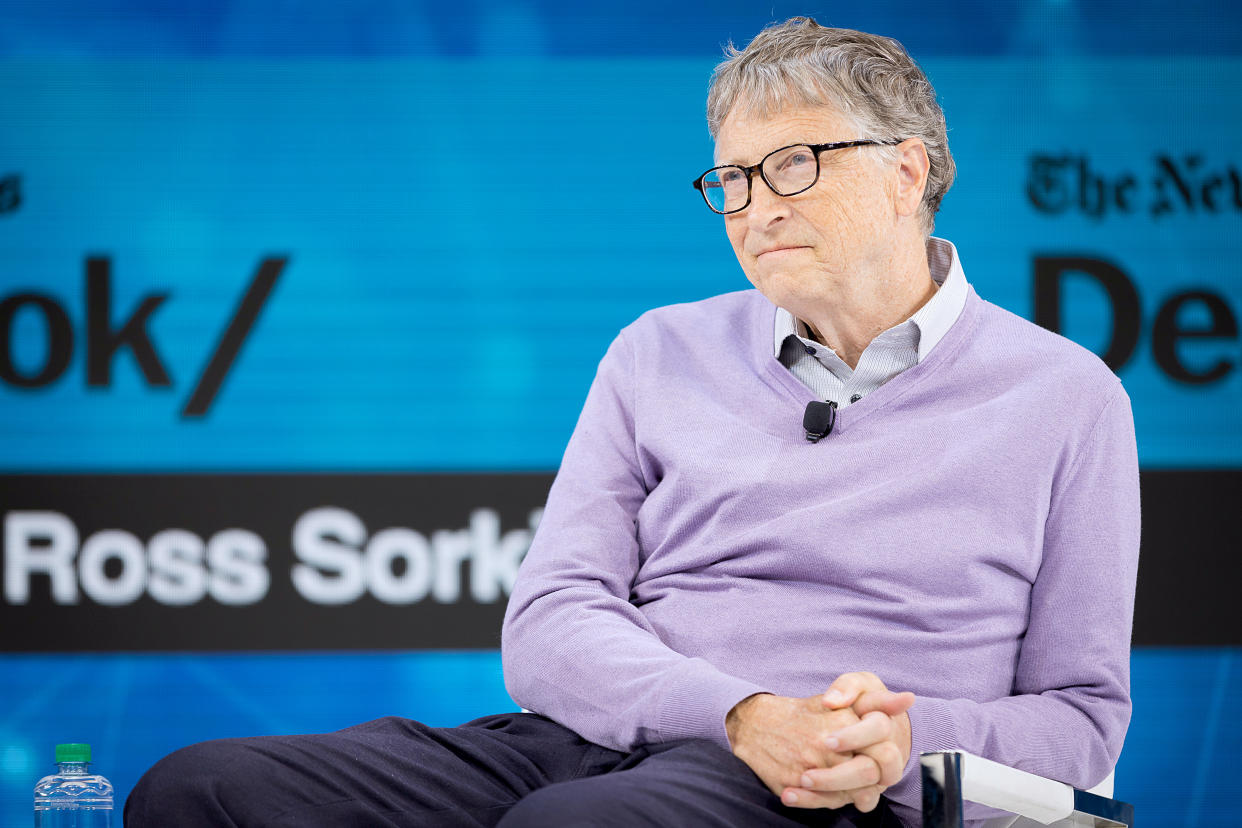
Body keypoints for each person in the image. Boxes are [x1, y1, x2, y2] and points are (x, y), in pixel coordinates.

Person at [124, 17, 1139, 828]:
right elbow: (551, 622)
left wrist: (889, 746)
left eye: (794, 164)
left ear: (908, 170)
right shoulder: (659, 351)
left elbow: (1080, 723)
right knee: (201, 790)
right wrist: (739, 715)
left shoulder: (1064, 395)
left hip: (831, 791)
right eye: (733, 180)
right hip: (604, 740)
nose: (755, 207)